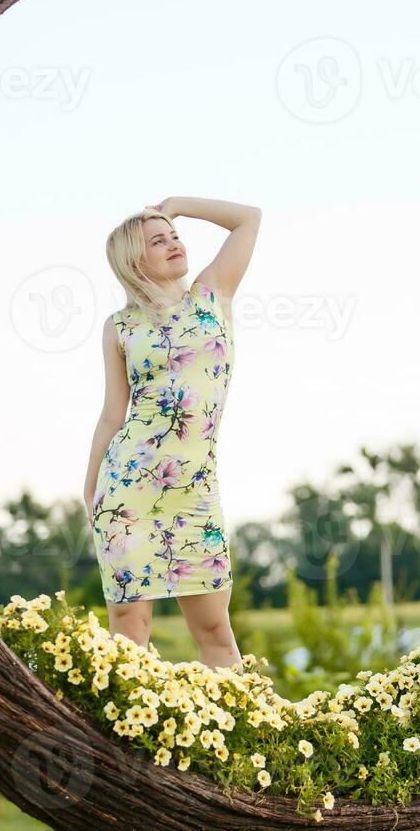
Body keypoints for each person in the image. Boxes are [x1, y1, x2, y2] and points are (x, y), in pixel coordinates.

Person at [83, 196, 261, 669]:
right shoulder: (120, 327)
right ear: (132, 260)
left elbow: (249, 218)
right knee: (129, 630)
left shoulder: (212, 295)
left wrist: (178, 205)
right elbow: (112, 416)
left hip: (195, 491)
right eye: (157, 240)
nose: (173, 243)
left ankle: (245, 738)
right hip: (128, 489)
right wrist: (91, 491)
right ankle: (123, 741)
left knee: (216, 634)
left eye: (174, 236)